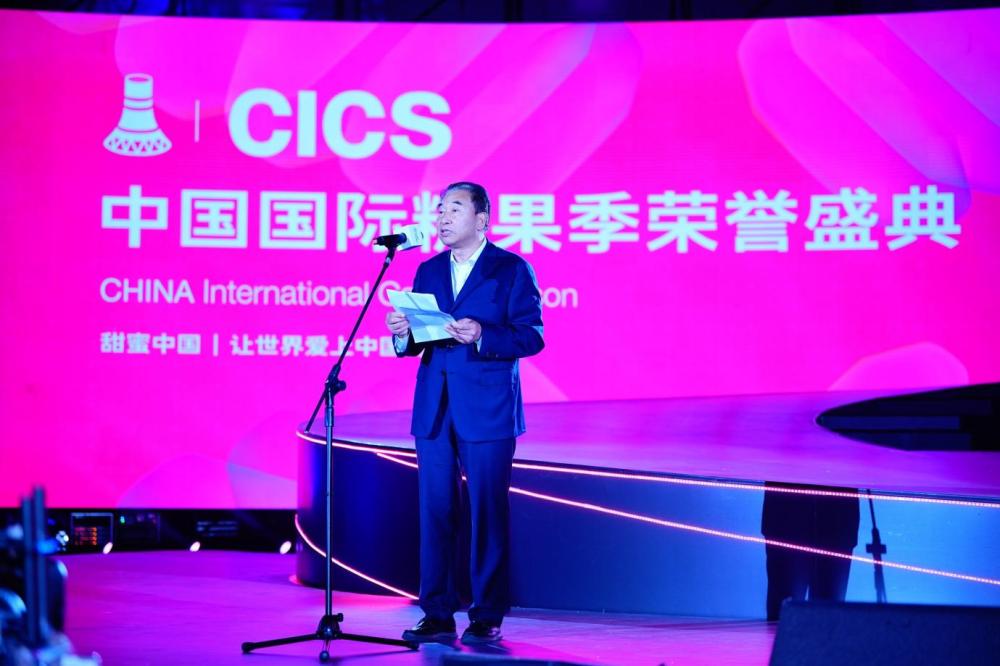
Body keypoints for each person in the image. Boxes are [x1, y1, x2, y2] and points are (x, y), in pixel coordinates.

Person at [385, 181, 544, 645]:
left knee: (486, 512)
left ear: (482, 219)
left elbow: (531, 335)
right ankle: (436, 612)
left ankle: (486, 613)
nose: (443, 217)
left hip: (488, 409)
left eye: (454, 208)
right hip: (435, 408)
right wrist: (402, 333)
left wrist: (482, 334)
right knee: (436, 512)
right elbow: (421, 340)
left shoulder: (510, 269)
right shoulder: (429, 270)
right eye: (440, 209)